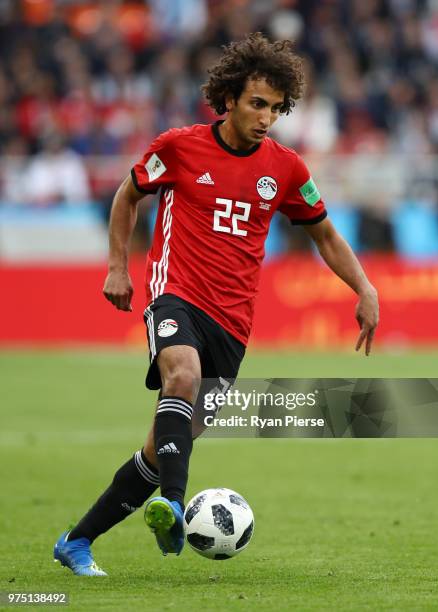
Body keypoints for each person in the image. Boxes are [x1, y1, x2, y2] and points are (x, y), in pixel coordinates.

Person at [54, 33, 379, 576]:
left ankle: (77, 541)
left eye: (276, 108)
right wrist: (118, 265)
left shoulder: (287, 169)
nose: (266, 117)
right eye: (257, 104)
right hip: (176, 291)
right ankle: (176, 507)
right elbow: (127, 195)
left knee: (162, 451)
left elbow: (324, 235)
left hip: (234, 321)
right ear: (228, 98)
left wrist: (365, 288)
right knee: (182, 375)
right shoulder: (179, 147)